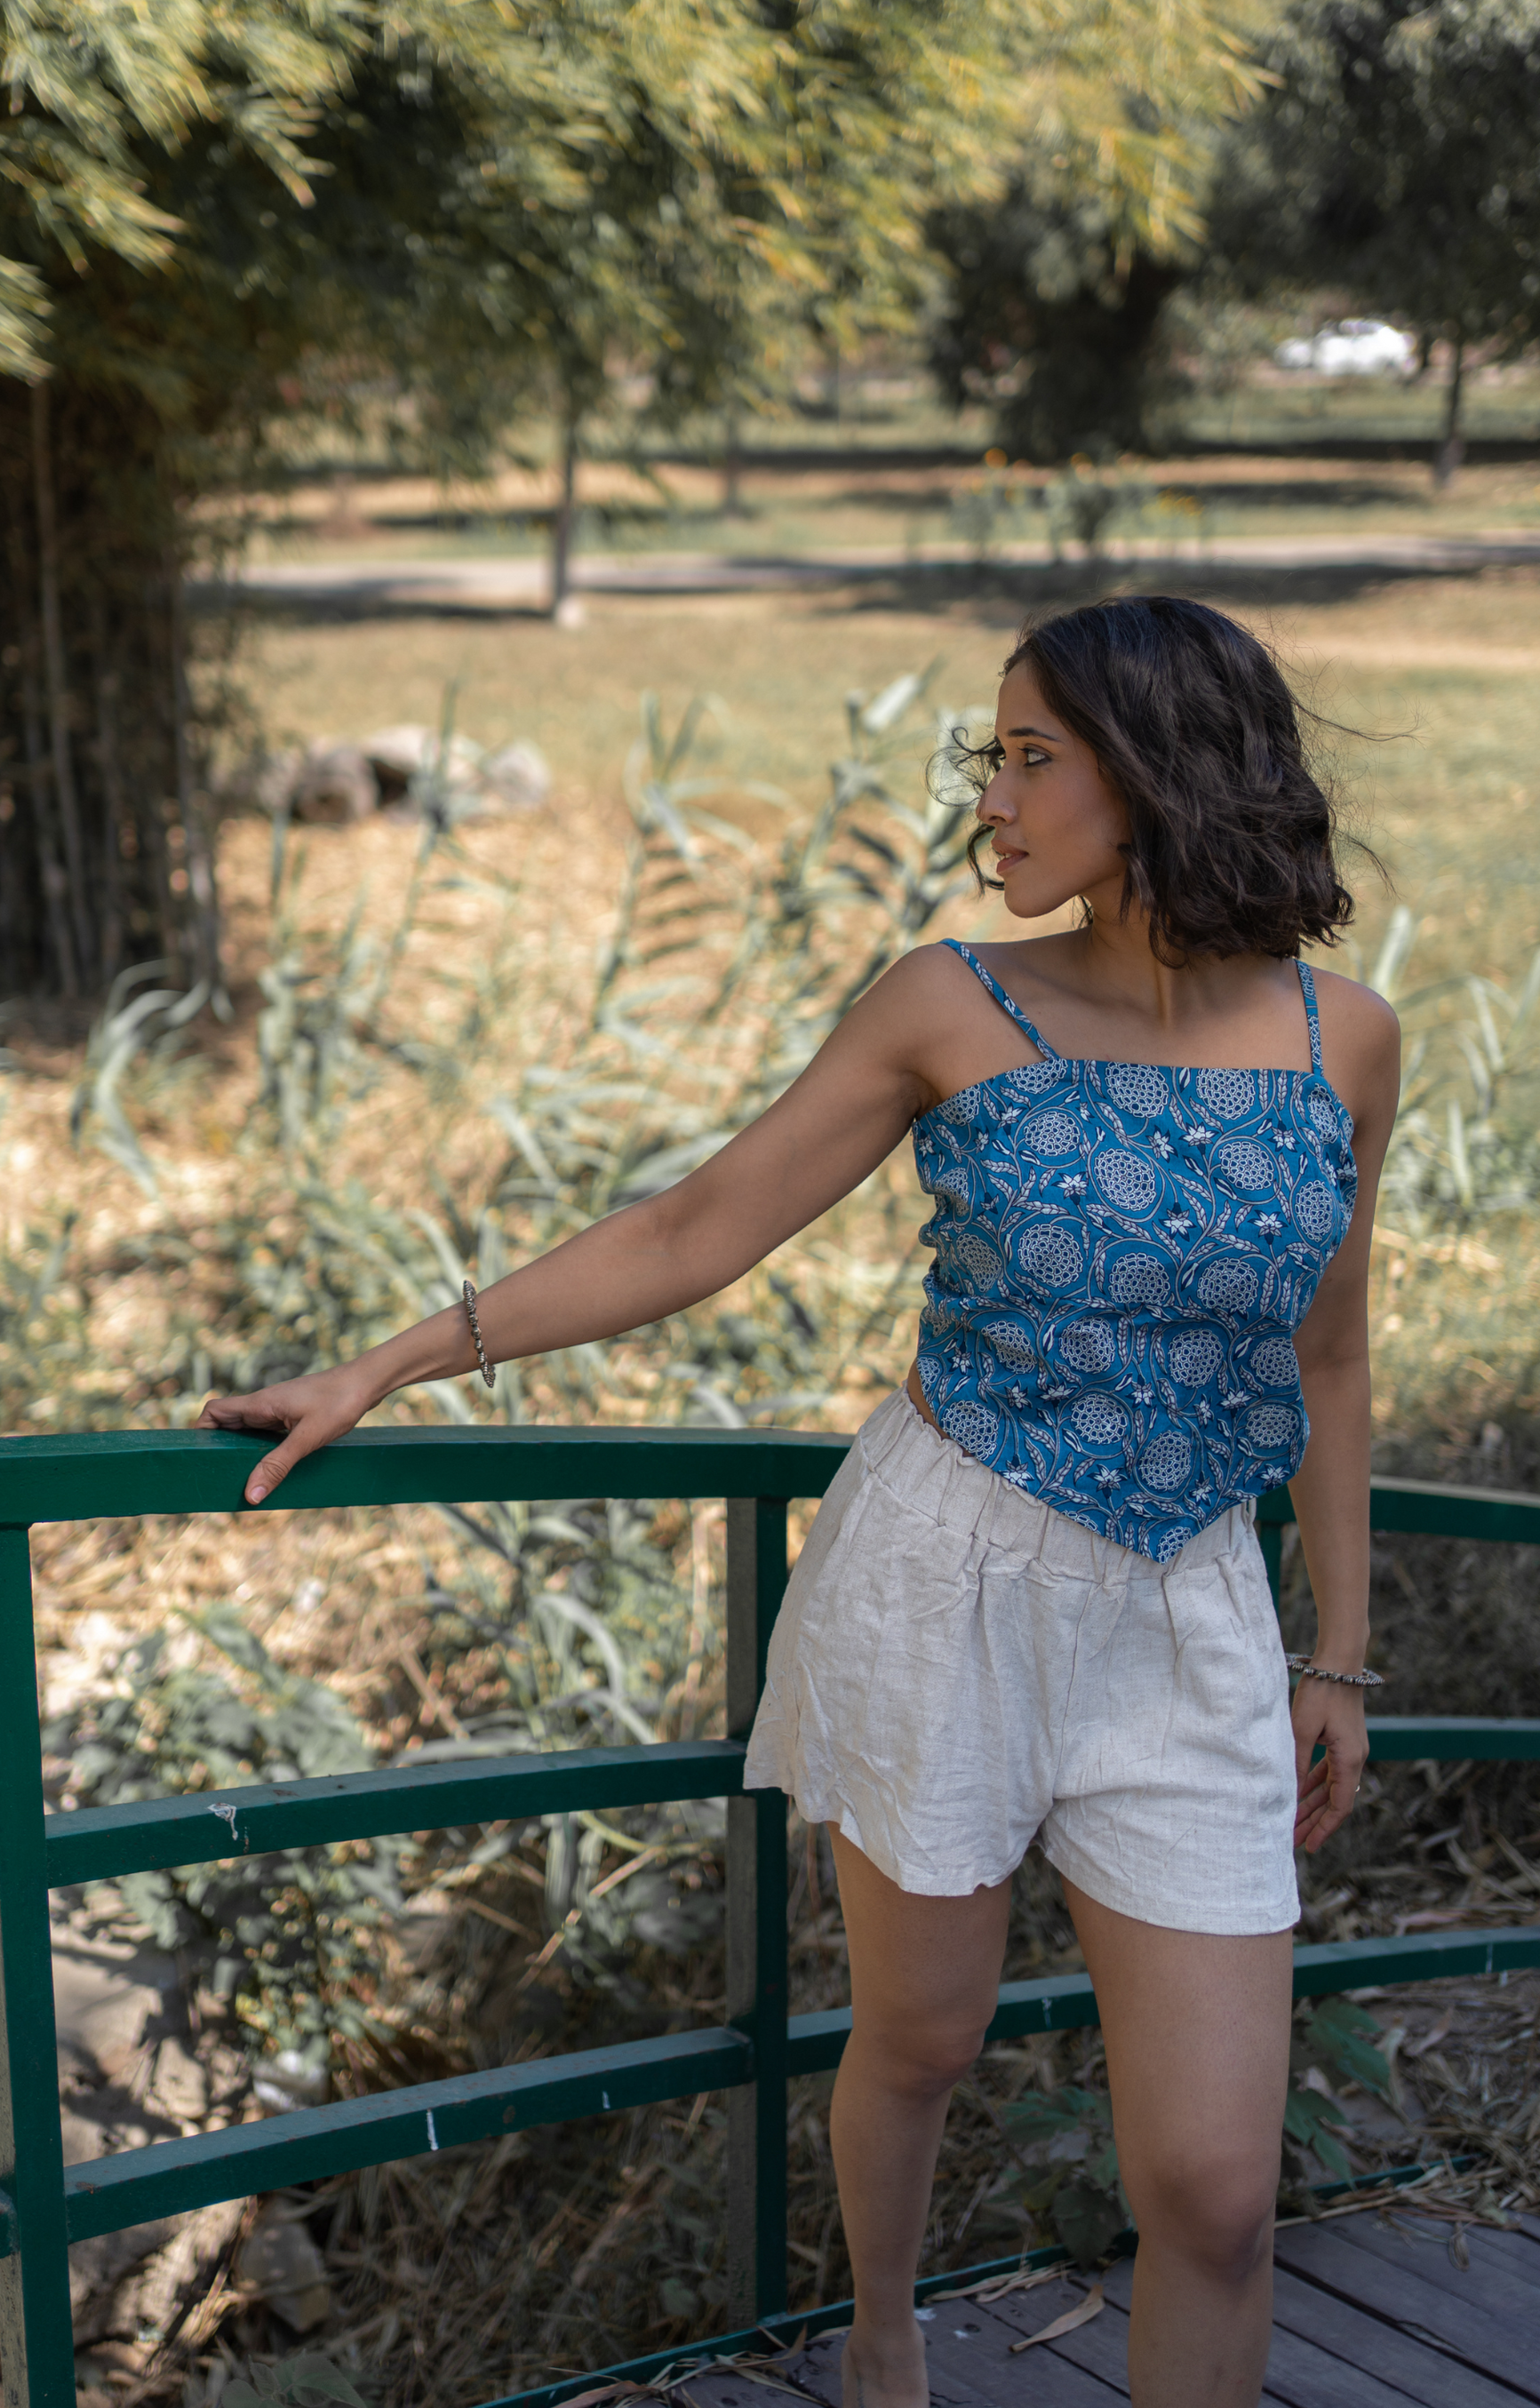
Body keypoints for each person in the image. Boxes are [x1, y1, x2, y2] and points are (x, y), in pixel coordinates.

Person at [200, 595, 1399, 2408]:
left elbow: (1330, 1355)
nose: (988, 800)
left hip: (1194, 1617)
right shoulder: (951, 1000)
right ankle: (883, 2329)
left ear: (1155, 774)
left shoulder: (1343, 1039)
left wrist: (1342, 1650)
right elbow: (695, 1226)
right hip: (947, 1573)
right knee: (920, 2036)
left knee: (1220, 2190)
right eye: (989, 756)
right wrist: (389, 1360)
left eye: (1030, 757)